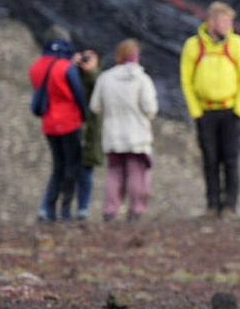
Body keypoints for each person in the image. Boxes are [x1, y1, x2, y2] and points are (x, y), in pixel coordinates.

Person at [181, 2, 240, 216]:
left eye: (230, 21)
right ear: (211, 21)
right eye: (224, 20)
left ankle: (230, 206)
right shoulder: (193, 46)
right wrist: (196, 111)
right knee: (210, 159)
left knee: (231, 158)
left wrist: (239, 109)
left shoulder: (237, 45)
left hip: (230, 111)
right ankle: (212, 205)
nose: (228, 25)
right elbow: (186, 79)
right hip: (205, 112)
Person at [91, 39, 160, 221]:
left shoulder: (105, 78)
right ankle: (136, 209)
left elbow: (95, 106)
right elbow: (150, 108)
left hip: (112, 135)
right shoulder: (141, 79)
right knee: (136, 173)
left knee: (115, 173)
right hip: (137, 136)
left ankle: (111, 209)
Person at [29, 27, 87, 222]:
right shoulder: (65, 67)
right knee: (72, 166)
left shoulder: (37, 66)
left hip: (49, 124)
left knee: (58, 166)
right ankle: (65, 210)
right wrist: (85, 116)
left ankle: (47, 209)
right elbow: (79, 94)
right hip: (69, 122)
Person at [75, 49, 102, 221]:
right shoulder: (73, 74)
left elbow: (99, 88)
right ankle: (74, 208)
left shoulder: (96, 77)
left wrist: (91, 71)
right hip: (75, 126)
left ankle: (82, 208)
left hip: (88, 130)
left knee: (85, 169)